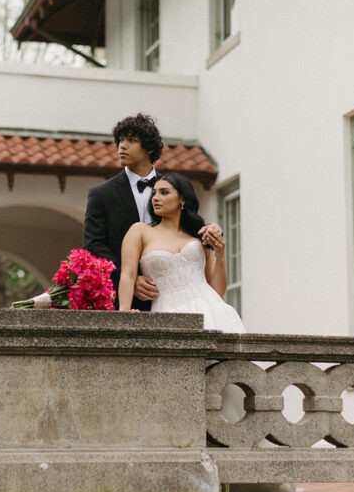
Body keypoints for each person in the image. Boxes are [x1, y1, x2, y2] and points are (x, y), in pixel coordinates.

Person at [83, 114, 223, 311]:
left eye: (131, 140)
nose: (122, 146)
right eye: (120, 140)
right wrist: (130, 277)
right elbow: (93, 245)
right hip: (125, 299)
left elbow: (188, 226)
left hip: (175, 297)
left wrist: (213, 229)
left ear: (149, 147)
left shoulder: (173, 187)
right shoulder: (100, 194)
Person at [118, 172, 245, 333]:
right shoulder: (140, 231)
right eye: (154, 193)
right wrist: (124, 312)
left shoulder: (198, 236)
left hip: (211, 310)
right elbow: (128, 274)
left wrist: (220, 254)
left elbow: (217, 291)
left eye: (164, 193)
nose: (155, 198)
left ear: (182, 199)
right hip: (167, 312)